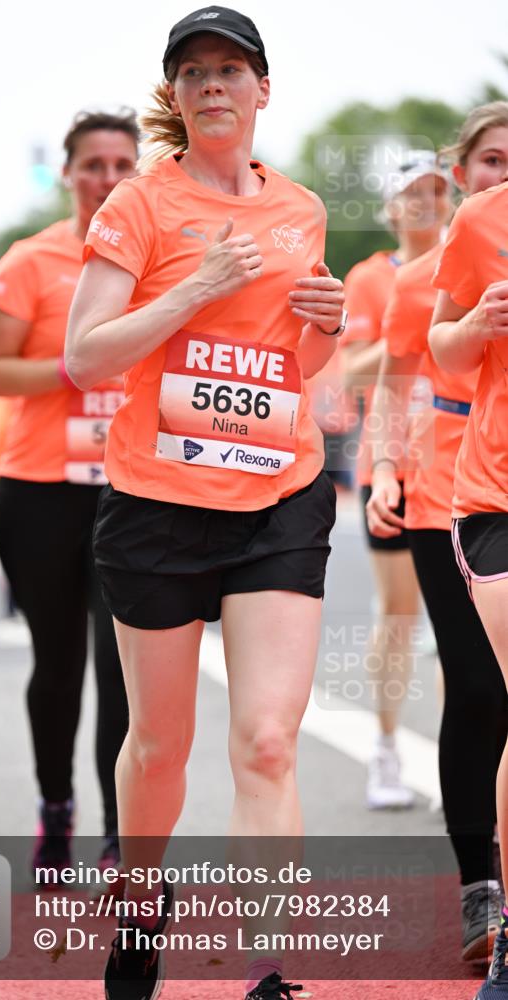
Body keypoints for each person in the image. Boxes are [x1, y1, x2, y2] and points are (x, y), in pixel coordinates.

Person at [65, 9, 345, 1000]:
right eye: (192, 73)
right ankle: (141, 903)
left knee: (267, 740)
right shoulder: (139, 204)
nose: (212, 85)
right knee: (159, 748)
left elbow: (294, 367)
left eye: (230, 69)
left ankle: (270, 968)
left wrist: (328, 326)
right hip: (158, 504)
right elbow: (84, 355)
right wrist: (194, 290)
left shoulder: (301, 209)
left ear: (262, 89)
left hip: (279, 495)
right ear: (175, 96)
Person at [0, 109, 138, 878]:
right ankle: (55, 809)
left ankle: (118, 835)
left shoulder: (164, 259)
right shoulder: (31, 260)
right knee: (59, 661)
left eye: (122, 164)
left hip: (130, 492)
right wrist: (76, 367)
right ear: (67, 174)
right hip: (39, 492)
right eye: (92, 165)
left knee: (123, 666)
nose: (107, 178)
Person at [365, 102, 508, 963]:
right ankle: (477, 888)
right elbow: (390, 382)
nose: (501, 174)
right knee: (478, 689)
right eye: (489, 160)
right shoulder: (423, 276)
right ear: (461, 174)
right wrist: (383, 469)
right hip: (443, 496)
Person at [340, 149, 452, 810]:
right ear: (390, 207)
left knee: (460, 626)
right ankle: (384, 751)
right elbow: (350, 372)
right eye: (412, 192)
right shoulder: (369, 278)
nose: (426, 202)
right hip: (391, 466)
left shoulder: (469, 266)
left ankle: (457, 761)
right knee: (399, 613)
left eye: (436, 191)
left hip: (460, 466)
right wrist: (413, 328)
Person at [427, 173, 508, 998]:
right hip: (496, 495)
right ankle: (505, 925)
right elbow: (438, 348)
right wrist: (477, 324)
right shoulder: (482, 219)